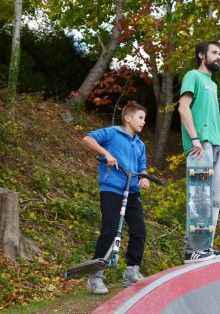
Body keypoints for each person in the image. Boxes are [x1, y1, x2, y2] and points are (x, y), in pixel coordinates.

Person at [82, 102, 150, 294]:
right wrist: (106, 153)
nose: (143, 122)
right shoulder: (112, 133)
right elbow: (88, 139)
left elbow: (142, 168)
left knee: (139, 231)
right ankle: (95, 277)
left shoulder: (140, 144)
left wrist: (144, 179)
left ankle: (131, 272)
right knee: (110, 230)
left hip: (132, 192)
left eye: (144, 119)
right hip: (111, 189)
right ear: (127, 118)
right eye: (140, 117)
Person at [178, 40, 220, 263]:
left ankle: (205, 246)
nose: (218, 56)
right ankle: (192, 250)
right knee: (200, 198)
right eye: (214, 52)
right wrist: (195, 139)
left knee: (214, 200)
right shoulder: (193, 76)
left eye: (219, 53)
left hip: (217, 145)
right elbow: (183, 107)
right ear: (201, 55)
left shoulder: (213, 84)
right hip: (200, 145)